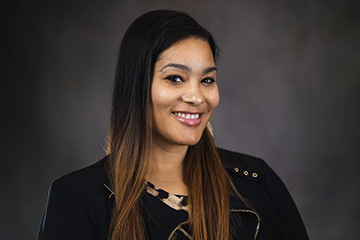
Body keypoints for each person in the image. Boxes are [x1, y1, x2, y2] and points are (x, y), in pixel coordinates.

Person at [37, 10, 309, 240]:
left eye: (207, 80)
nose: (196, 97)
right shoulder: (78, 197)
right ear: (136, 87)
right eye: (175, 78)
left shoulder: (256, 181)